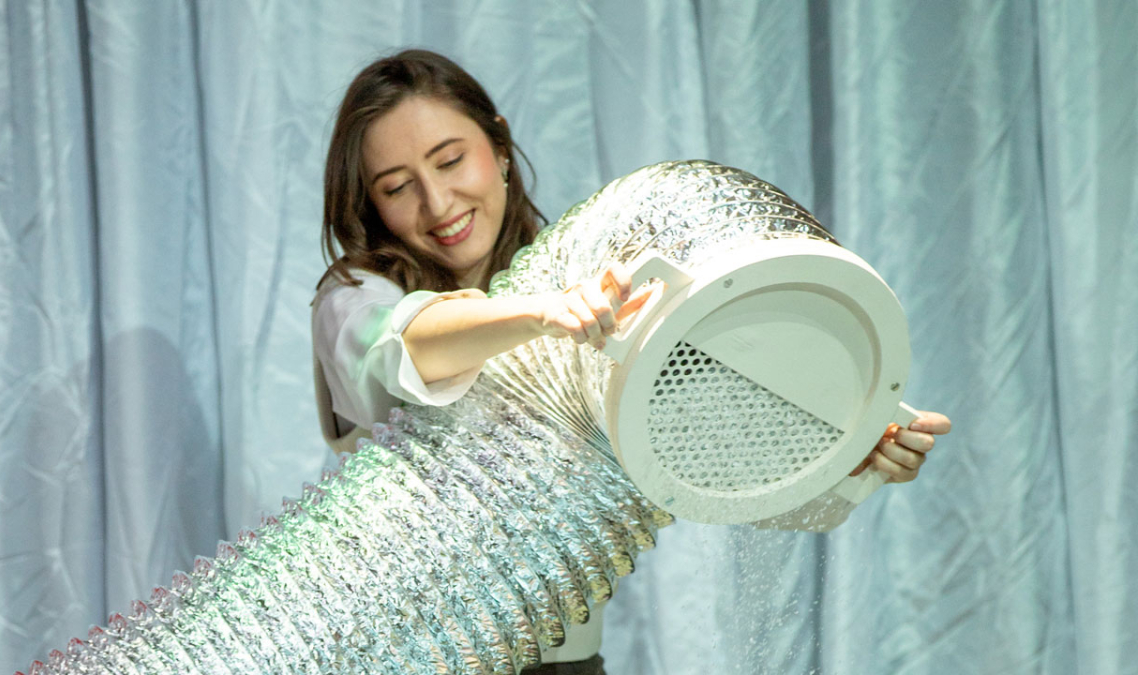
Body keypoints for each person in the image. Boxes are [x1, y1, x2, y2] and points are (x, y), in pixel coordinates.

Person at [312, 49, 952, 675]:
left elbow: (701, 459)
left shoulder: (590, 291)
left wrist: (850, 455)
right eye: (398, 187)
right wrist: (539, 314)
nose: (437, 201)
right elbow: (403, 344)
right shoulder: (353, 298)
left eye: (450, 160)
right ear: (371, 204)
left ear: (499, 147)